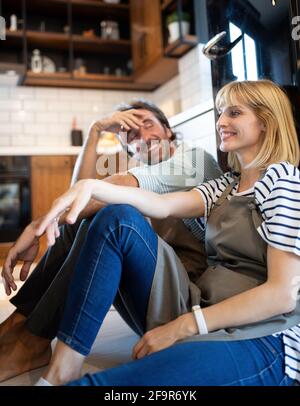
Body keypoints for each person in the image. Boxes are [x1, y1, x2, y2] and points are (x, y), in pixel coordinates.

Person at [30, 79, 300, 386]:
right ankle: (62, 367)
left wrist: (185, 325)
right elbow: (160, 204)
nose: (221, 121)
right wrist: (89, 185)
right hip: (199, 304)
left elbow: (282, 295)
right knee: (116, 216)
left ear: (266, 122)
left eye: (234, 113)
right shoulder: (225, 186)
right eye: (221, 113)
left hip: (258, 330)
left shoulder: (283, 181)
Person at [0, 99, 221, 382]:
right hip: (155, 294)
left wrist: (38, 225)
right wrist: (95, 131)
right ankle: (20, 330)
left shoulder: (195, 160)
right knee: (88, 216)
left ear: (167, 130)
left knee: (113, 211)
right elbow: (78, 201)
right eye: (132, 136)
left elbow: (98, 192)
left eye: (148, 125)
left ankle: (30, 343)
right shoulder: (140, 175)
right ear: (129, 149)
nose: (143, 137)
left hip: (189, 301)